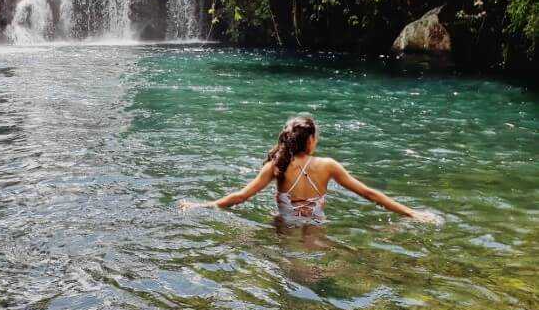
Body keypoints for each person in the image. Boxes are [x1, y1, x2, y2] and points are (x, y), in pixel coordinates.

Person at [180, 115, 442, 225]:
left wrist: (200, 206)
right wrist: (412, 213)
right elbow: (370, 194)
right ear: (310, 140)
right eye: (316, 136)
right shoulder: (328, 166)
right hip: (317, 233)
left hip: (283, 233)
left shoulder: (277, 167)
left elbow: (239, 197)